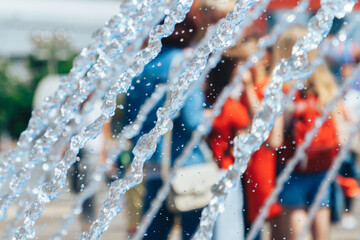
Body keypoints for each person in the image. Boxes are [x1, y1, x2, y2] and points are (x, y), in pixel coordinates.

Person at [275, 26, 340, 240]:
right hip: (322, 167)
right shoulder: (325, 84)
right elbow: (341, 129)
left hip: (294, 169)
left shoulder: (283, 88)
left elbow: (275, 140)